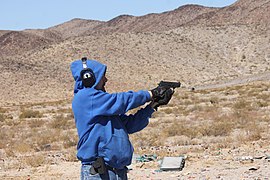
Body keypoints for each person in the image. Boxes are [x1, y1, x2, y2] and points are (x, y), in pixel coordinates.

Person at [70, 58, 174, 180]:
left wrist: (152, 105)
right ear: (89, 77)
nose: (105, 80)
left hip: (117, 171)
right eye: (102, 76)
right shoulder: (86, 97)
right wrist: (151, 94)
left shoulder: (102, 105)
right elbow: (120, 101)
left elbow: (130, 125)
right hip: (99, 172)